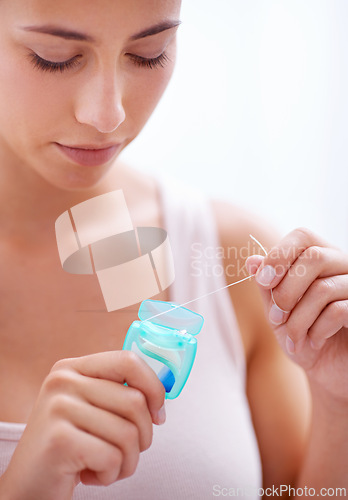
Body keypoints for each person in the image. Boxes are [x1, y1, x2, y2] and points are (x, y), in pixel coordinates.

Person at [0, 1, 347, 499]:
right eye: (52, 57)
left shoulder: (230, 252)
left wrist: (339, 404)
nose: (107, 114)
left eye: (149, 53)